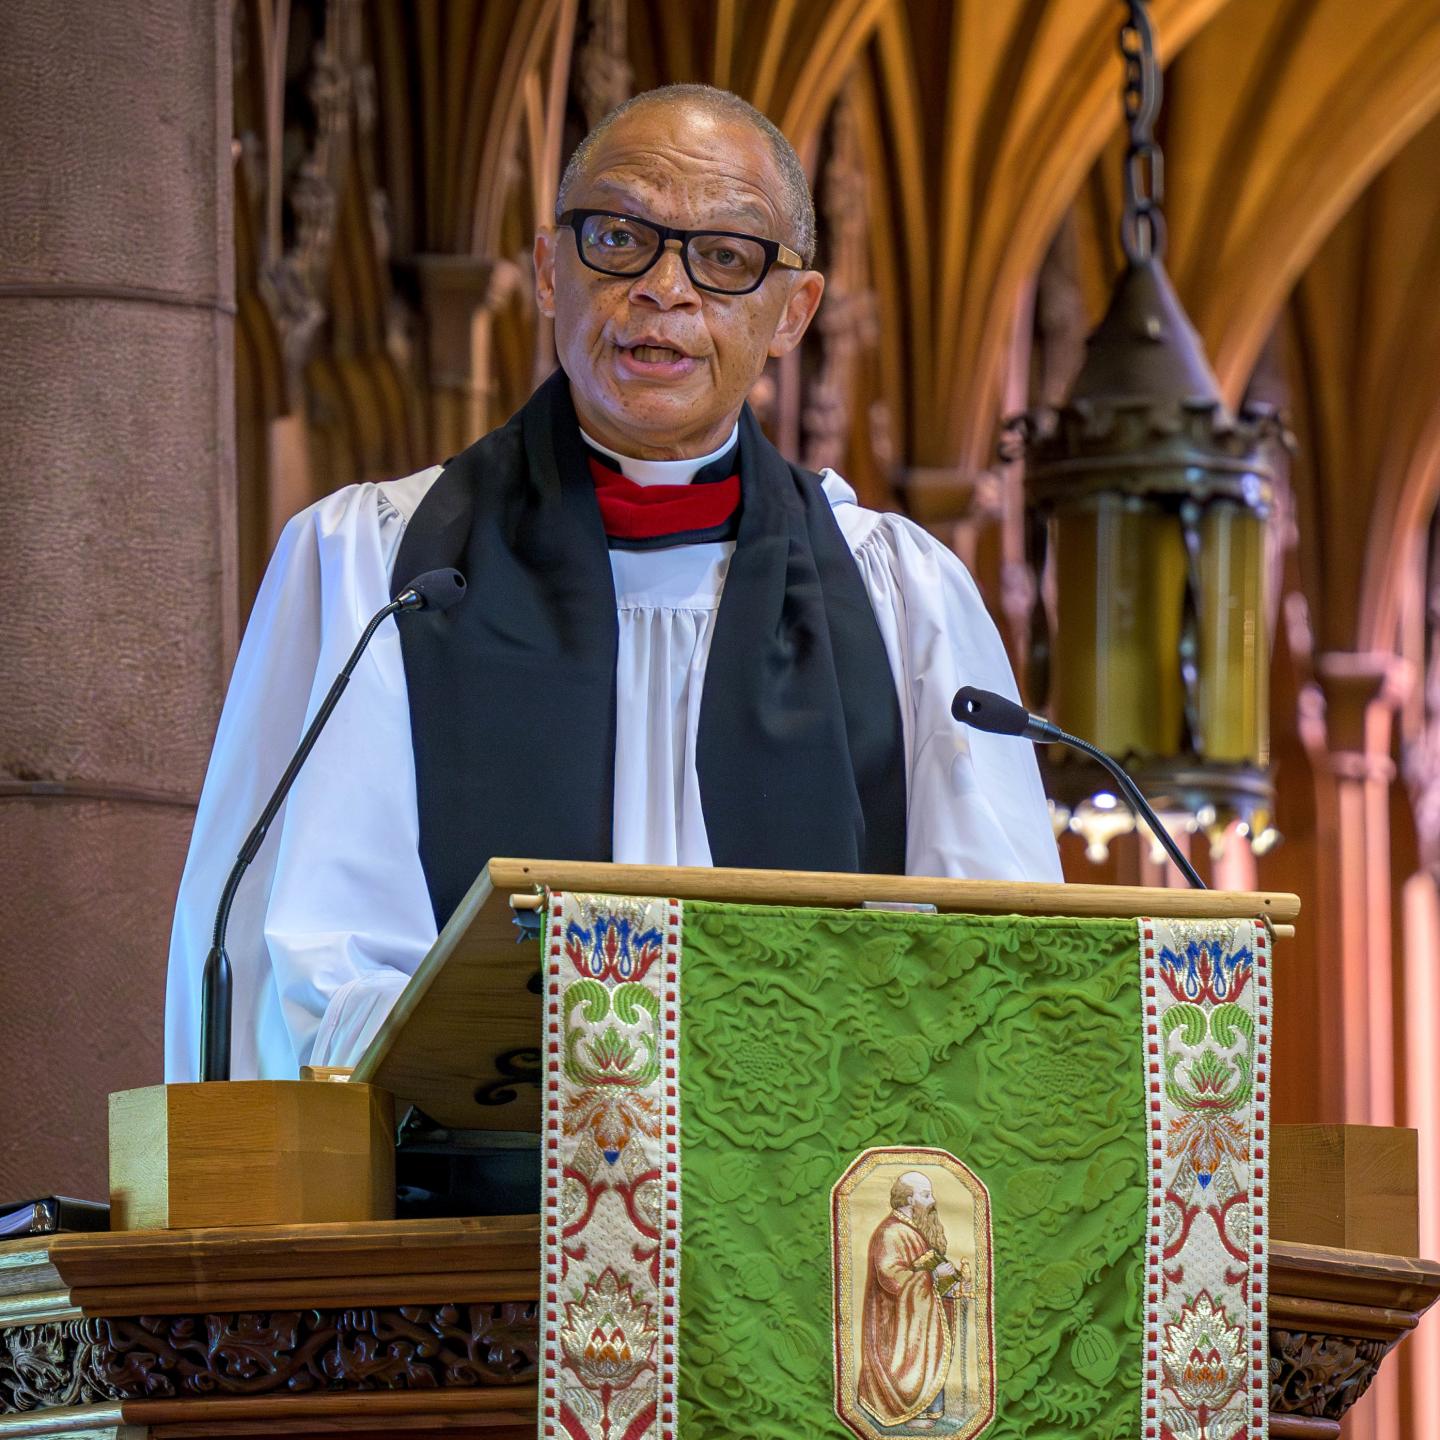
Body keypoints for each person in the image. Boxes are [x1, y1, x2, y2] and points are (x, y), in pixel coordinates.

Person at [165, 84, 1060, 1083]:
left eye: (726, 257)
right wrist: (585, 1073)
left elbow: (1001, 962)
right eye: (620, 237)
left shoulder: (903, 600)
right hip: (468, 1215)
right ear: (550, 269)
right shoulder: (378, 566)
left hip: (808, 1217)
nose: (665, 290)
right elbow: (305, 961)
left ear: (792, 314)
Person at [858, 1172, 957, 1429]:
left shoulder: (912, 1229)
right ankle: (909, 1411)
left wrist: (948, 1281)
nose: (933, 1200)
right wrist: (933, 1275)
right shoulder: (891, 1232)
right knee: (911, 1361)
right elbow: (891, 1277)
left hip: (918, 1316)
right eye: (926, 1195)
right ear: (909, 1199)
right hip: (895, 1321)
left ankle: (925, 1412)